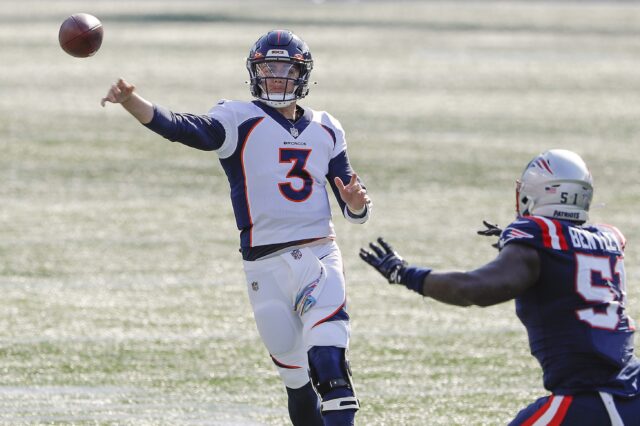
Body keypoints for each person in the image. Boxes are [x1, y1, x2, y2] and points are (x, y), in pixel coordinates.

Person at [101, 29, 370, 426]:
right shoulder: (238, 118)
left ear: (303, 74)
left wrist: (356, 205)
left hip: (318, 256)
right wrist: (131, 102)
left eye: (286, 68)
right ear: (255, 73)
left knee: (329, 364)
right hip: (264, 268)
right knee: (296, 382)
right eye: (270, 68)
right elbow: (181, 127)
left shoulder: (328, 128)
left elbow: (353, 201)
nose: (278, 76)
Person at [360, 149, 640, 425]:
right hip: (631, 387)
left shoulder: (537, 239)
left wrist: (407, 275)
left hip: (593, 399)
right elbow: (565, 255)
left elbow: (472, 289)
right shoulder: (607, 239)